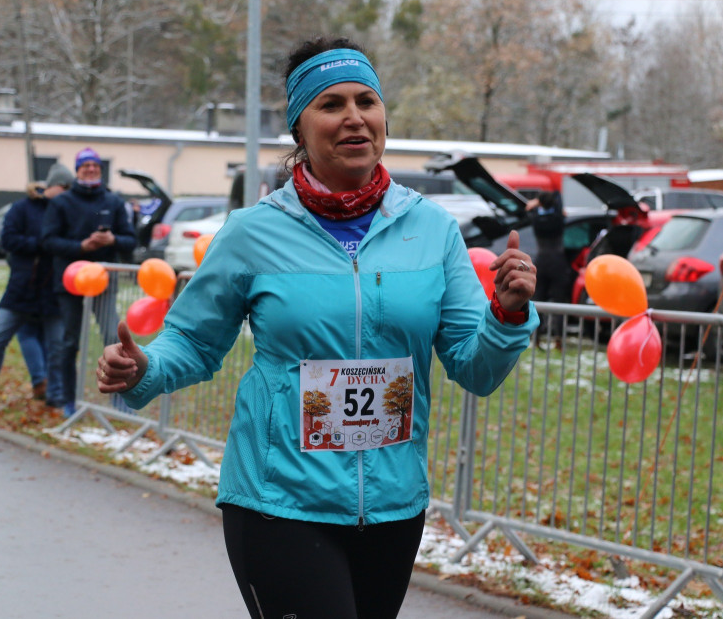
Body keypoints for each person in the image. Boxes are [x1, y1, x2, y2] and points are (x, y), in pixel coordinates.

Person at [94, 37, 539, 619]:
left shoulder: (432, 230)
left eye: (366, 101)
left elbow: (474, 368)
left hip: (391, 508)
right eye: (331, 104)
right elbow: (195, 342)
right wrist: (143, 368)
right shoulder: (253, 232)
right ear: (299, 129)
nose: (354, 117)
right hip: (280, 504)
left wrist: (505, 315)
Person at [0, 167, 75, 406]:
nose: (67, 194)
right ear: (53, 185)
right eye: (64, 188)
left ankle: (56, 395)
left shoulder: (66, 212)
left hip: (52, 292)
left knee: (57, 347)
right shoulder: (22, 208)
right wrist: (42, 244)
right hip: (20, 290)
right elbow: (8, 239)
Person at [41, 147, 135, 417]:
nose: (91, 170)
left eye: (95, 165)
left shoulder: (114, 201)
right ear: (77, 170)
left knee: (113, 337)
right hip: (70, 283)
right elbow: (48, 241)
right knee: (69, 342)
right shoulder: (61, 202)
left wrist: (113, 240)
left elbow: (131, 240)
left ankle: (120, 400)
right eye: (85, 166)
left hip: (104, 282)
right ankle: (69, 399)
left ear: (100, 170)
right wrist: (81, 246)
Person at [525, 190, 572, 348]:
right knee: (559, 301)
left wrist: (537, 202)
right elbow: (559, 195)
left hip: (541, 261)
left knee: (538, 300)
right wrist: (545, 201)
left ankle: (536, 337)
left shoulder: (537, 220)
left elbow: (529, 210)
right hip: (558, 261)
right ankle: (558, 338)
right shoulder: (558, 218)